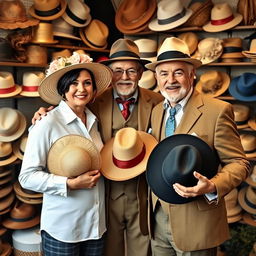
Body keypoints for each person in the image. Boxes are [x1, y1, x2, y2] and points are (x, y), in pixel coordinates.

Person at [32, 38, 163, 256]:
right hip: (103, 200)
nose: (124, 77)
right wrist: (44, 113)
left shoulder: (158, 102)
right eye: (118, 70)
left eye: (131, 71)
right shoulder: (93, 100)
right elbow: (67, 106)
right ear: (110, 73)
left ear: (141, 73)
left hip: (143, 195)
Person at [145, 36, 250, 256]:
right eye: (164, 73)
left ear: (192, 74)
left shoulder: (217, 110)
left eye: (178, 72)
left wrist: (212, 186)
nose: (170, 80)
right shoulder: (156, 112)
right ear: (156, 77)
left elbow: (239, 163)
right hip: (159, 219)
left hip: (197, 224)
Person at [19, 52, 113, 256]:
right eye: (73, 83)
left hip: (96, 227)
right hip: (63, 228)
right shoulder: (47, 123)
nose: (81, 89)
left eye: (87, 83)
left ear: (94, 89)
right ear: (63, 89)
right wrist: (69, 184)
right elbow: (27, 177)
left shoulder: (95, 121)